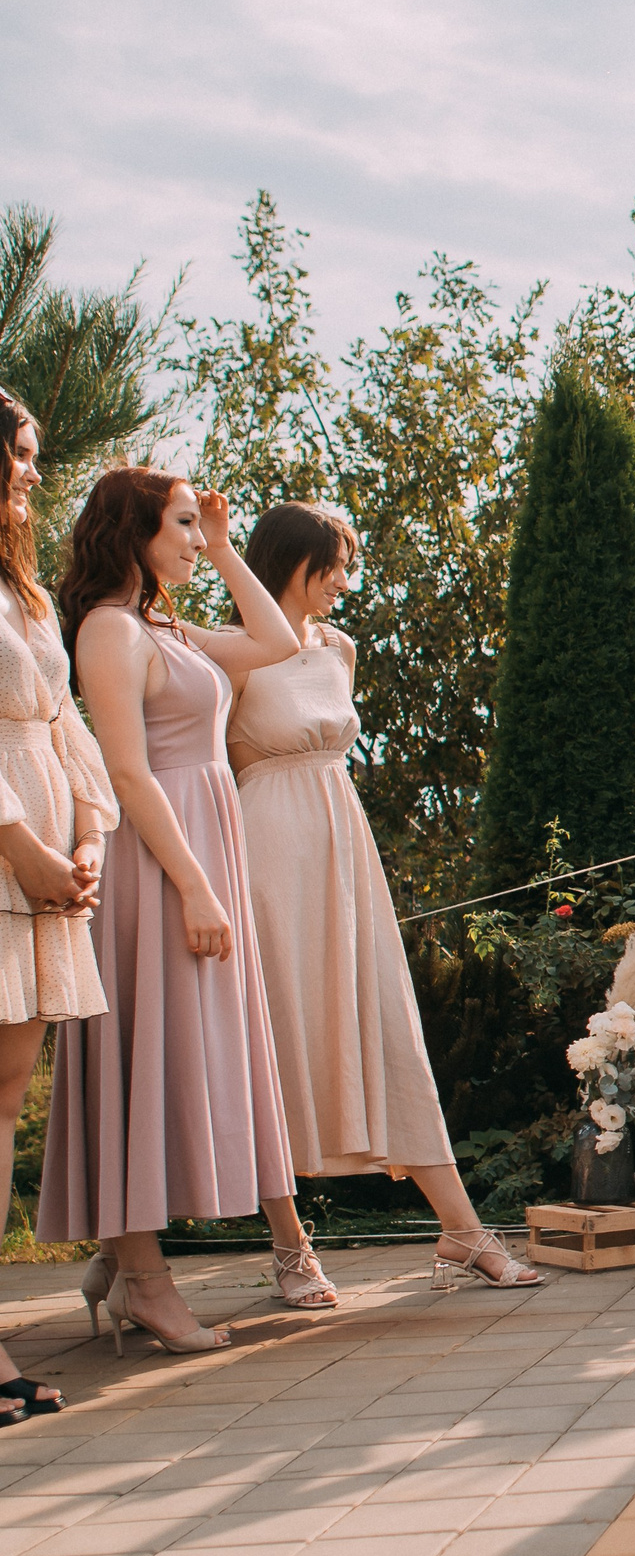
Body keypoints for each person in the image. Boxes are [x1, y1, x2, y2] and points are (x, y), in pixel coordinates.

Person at [39, 468, 325, 1351]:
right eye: (185, 525)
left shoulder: (163, 625)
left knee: (182, 1054)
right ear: (135, 529)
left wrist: (231, 544)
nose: (196, 541)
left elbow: (276, 643)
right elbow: (125, 773)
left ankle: (125, 1265)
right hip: (156, 861)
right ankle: (147, 1282)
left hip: (201, 845)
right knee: (145, 1051)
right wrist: (196, 883)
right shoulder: (108, 631)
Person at [227, 504, 538, 1289]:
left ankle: (462, 1229)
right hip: (267, 854)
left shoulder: (341, 648)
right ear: (289, 562)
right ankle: (291, 1246)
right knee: (281, 1036)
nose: (342, 581)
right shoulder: (229, 650)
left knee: (386, 1019)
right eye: (330, 564)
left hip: (343, 845)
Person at [0, 388, 115, 1417]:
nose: (36, 469)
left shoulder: (28, 596)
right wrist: (17, 845)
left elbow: (68, 724)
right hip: (3, 862)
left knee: (2, 1102)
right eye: (25, 454)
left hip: (44, 871)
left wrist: (85, 834)